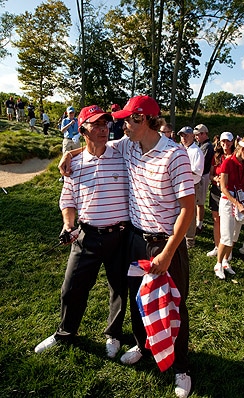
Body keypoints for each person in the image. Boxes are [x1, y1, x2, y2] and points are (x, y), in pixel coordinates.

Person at [59, 95, 195, 398]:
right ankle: (143, 345)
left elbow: (189, 209)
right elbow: (96, 146)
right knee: (137, 299)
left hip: (166, 243)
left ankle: (181, 367)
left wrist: (169, 251)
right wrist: (70, 153)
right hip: (134, 239)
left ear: (143, 120)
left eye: (125, 120)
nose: (119, 125)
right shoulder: (129, 145)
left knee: (173, 305)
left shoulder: (175, 155)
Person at [34, 104, 130, 359]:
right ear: (83, 129)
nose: (103, 129)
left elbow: (142, 138)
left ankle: (113, 334)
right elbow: (67, 200)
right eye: (96, 125)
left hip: (120, 235)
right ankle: (65, 331)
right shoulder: (74, 164)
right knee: (71, 288)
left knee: (118, 288)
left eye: (105, 124)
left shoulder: (121, 152)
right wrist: (68, 224)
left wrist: (73, 150)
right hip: (86, 235)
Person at [214, 136, 244, 279]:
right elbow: (223, 188)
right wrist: (237, 203)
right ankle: (218, 264)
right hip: (228, 201)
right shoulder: (227, 162)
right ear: (243, 150)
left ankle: (226, 261)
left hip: (241, 200)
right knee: (226, 236)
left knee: (234, 235)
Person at [207, 132, 235, 258]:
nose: (225, 144)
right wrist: (216, 179)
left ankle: (227, 249)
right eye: (223, 141)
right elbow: (210, 175)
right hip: (216, 191)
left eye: (228, 141)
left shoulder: (235, 157)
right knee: (216, 219)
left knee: (228, 221)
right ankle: (217, 246)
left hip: (229, 192)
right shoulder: (217, 156)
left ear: (233, 142)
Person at [178, 126, 204, 249]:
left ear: (193, 136)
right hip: (180, 183)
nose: (183, 138)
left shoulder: (196, 151)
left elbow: (198, 171)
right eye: (182, 136)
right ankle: (181, 235)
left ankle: (190, 239)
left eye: (186, 135)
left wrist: (183, 169)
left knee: (190, 213)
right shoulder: (181, 149)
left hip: (192, 185)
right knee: (181, 211)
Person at [193, 124, 214, 234]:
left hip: (202, 176)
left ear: (204, 134)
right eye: (195, 135)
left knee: (200, 202)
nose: (196, 137)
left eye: (198, 134)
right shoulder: (199, 145)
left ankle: (199, 225)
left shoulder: (207, 146)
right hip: (197, 176)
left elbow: (203, 163)